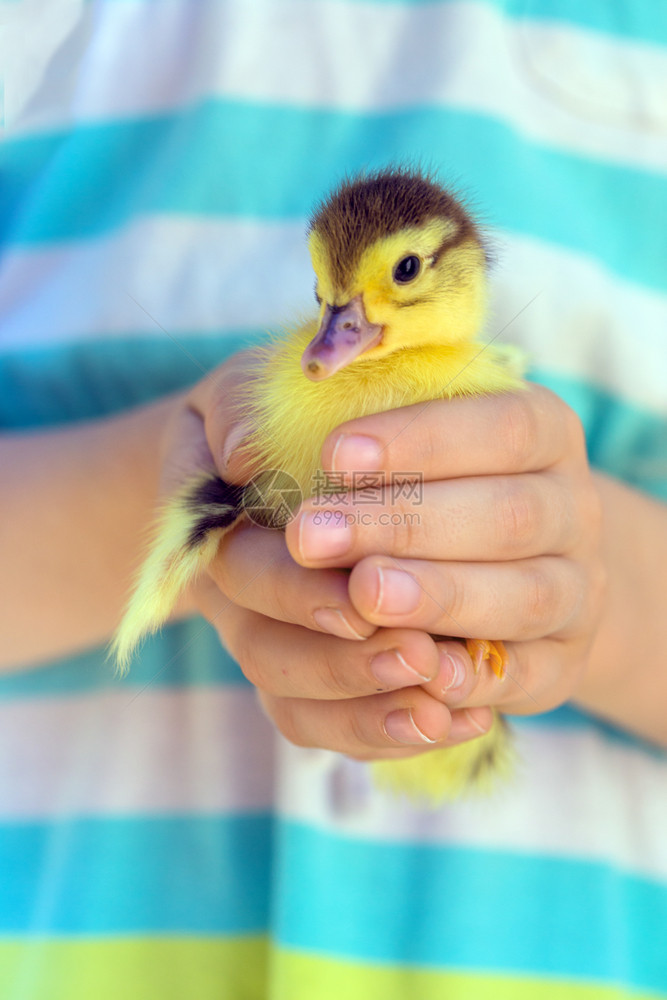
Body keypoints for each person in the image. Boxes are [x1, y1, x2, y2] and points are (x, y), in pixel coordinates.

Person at [1, 1, 665, 997]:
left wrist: (576, 589)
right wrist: (194, 505)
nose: (336, 336)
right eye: (331, 305)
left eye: (396, 280)